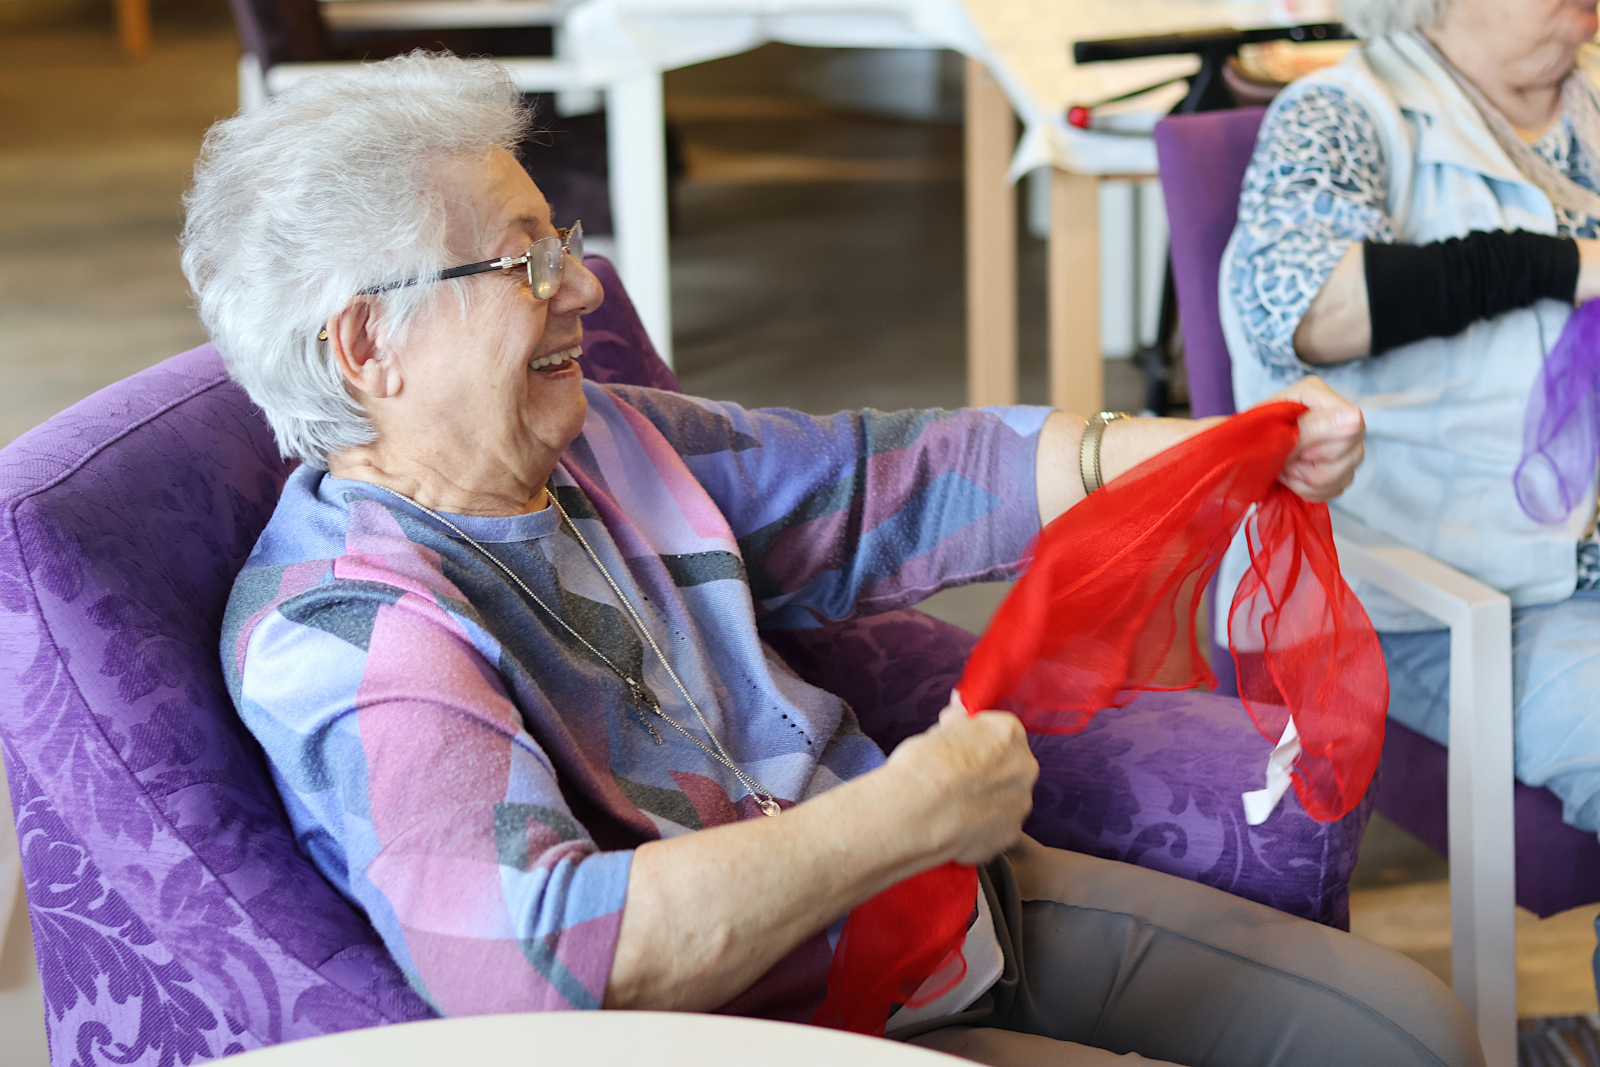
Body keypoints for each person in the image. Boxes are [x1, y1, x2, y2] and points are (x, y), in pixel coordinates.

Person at [188, 52, 1477, 1067]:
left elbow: (891, 480)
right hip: (781, 1023)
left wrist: (1213, 447)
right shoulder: (349, 627)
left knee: (1408, 1027)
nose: (582, 287)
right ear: (369, 345)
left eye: (564, 244)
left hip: (942, 906)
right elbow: (535, 958)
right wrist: (902, 815)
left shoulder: (603, 448)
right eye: (528, 258)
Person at [1222, 0, 1600, 846]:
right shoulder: (1346, 115)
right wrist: (1560, 265)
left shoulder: (1589, 108)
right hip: (1447, 598)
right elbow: (1309, 306)